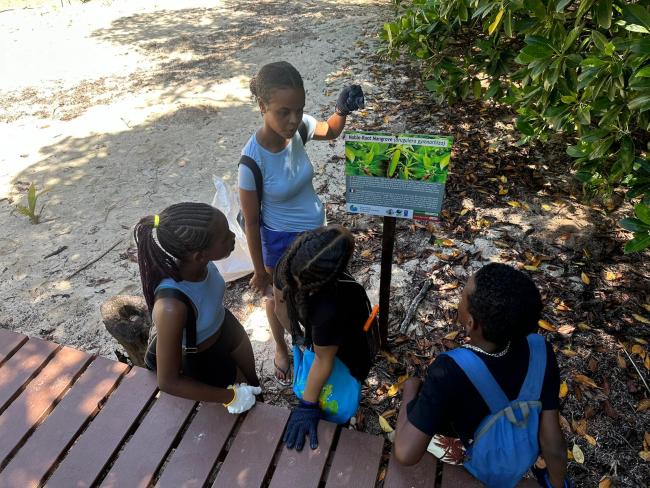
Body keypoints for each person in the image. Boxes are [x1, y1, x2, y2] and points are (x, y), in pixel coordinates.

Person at [238, 60, 365, 386]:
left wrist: (342, 108)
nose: (293, 120)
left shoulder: (299, 128)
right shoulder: (251, 162)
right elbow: (251, 223)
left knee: (317, 298)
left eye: (299, 109)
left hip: (315, 233)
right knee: (282, 302)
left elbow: (331, 129)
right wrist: (259, 269)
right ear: (263, 106)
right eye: (283, 112)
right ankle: (286, 347)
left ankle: (313, 346)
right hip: (281, 243)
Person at [393, 263, 570, 488]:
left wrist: (410, 389)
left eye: (463, 296)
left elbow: (405, 453)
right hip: (517, 454)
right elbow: (552, 442)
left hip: (473, 457)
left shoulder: (448, 370)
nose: (459, 298)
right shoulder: (540, 351)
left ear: (470, 323)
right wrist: (556, 483)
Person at [134, 202, 261, 413]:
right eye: (225, 237)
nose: (233, 237)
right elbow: (168, 381)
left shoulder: (202, 263)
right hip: (204, 355)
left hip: (226, 327)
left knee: (253, 384)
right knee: (244, 405)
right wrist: (230, 397)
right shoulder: (171, 307)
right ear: (199, 255)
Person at [274, 225, 377, 451]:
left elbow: (277, 307)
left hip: (319, 335)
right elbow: (323, 360)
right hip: (334, 345)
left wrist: (300, 340)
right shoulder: (329, 306)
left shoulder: (286, 263)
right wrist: (307, 406)